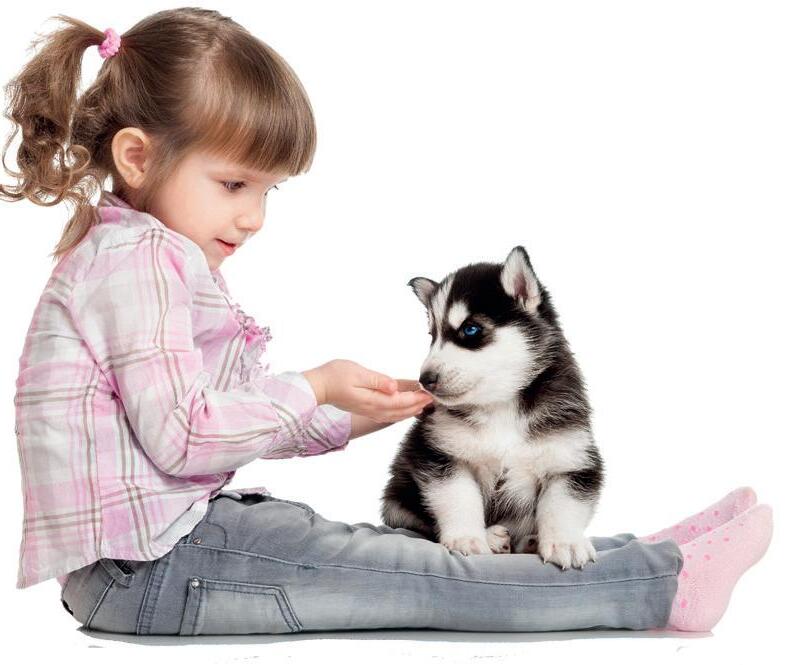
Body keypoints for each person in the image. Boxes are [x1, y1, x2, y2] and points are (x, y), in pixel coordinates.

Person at [1, 9, 772, 636]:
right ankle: (662, 582)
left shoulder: (136, 258)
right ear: (137, 157)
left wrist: (353, 413)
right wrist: (314, 384)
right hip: (152, 569)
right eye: (234, 184)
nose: (254, 216)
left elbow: (215, 423)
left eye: (268, 191)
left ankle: (645, 551)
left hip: (159, 553)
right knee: (425, 577)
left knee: (396, 553)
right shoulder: (140, 265)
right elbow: (187, 436)